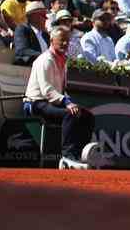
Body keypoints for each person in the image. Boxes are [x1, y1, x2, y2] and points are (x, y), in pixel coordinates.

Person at [23, 25, 96, 169]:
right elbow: (47, 90)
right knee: (70, 114)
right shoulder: (45, 60)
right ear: (51, 40)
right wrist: (67, 103)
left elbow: (61, 89)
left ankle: (79, 154)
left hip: (52, 102)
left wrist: (68, 101)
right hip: (35, 103)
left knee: (87, 116)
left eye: (67, 42)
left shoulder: (63, 61)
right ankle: (67, 157)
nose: (65, 44)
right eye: (61, 40)